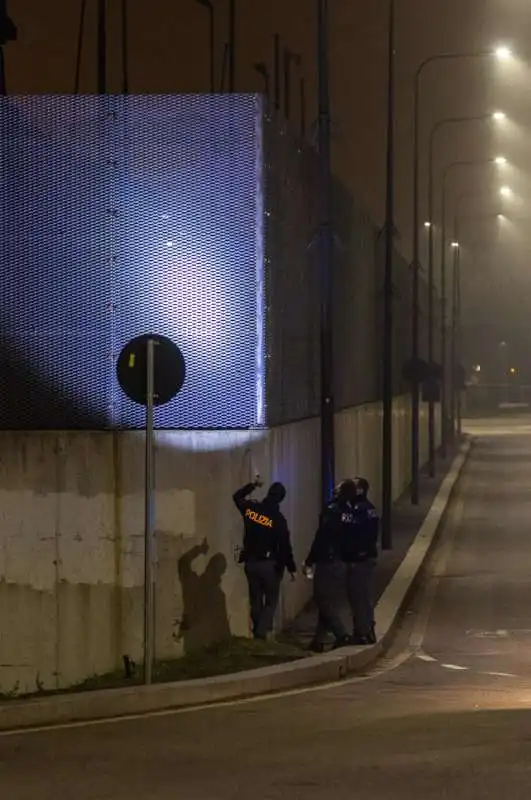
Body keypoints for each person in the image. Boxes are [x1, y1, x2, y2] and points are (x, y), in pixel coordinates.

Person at [233, 476, 296, 640]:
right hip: (269, 565)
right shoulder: (278, 519)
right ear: (281, 499)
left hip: (251, 562)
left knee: (255, 600)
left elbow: (237, 497)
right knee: (271, 601)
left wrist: (252, 485)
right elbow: (284, 545)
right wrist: (291, 567)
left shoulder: (251, 510)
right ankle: (260, 634)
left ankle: (257, 631)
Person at [303, 480, 358, 653]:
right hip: (342, 561)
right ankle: (318, 640)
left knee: (322, 599)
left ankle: (341, 634)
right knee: (327, 599)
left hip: (328, 560)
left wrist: (310, 559)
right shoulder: (350, 512)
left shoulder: (332, 510)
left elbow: (322, 537)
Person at [342, 477, 379, 645]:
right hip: (368, 557)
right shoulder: (371, 509)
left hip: (359, 559)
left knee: (358, 597)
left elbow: (356, 536)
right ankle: (368, 629)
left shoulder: (358, 510)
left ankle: (361, 632)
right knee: (365, 597)